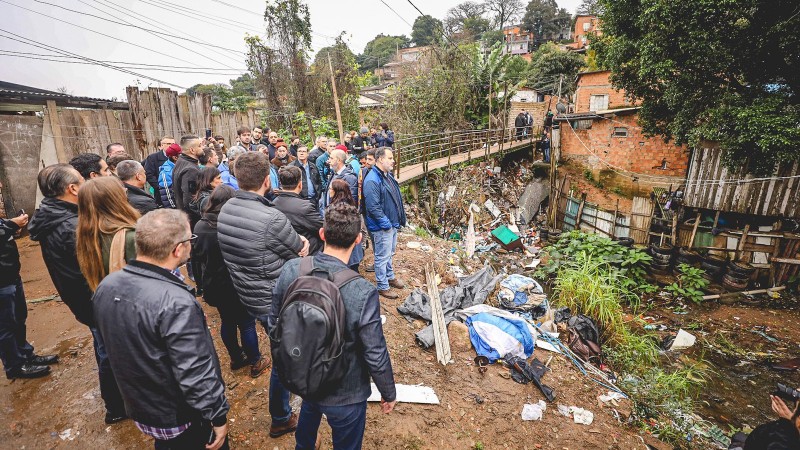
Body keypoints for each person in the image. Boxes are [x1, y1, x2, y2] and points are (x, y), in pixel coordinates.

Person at [93, 209, 230, 450]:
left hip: (142, 405)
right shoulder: (175, 302)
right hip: (179, 414)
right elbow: (194, 369)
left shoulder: (107, 285)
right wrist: (217, 415)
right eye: (190, 240)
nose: (191, 245)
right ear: (178, 249)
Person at [271, 202, 396, 450]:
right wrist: (387, 391)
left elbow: (274, 321)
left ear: (321, 233)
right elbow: (374, 351)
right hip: (345, 390)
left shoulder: (291, 269)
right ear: (359, 239)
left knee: (308, 414)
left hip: (304, 376)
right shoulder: (363, 291)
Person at [217, 151, 309, 439]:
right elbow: (298, 250)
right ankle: (281, 417)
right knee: (283, 356)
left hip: (247, 292)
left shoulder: (226, 209)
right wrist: (303, 242)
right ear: (267, 180)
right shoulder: (272, 218)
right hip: (271, 297)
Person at [28, 164, 127, 424]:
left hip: (84, 299)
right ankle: (116, 406)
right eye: (83, 180)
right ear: (73, 188)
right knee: (110, 352)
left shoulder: (53, 215)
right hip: (94, 301)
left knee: (105, 347)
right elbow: (92, 270)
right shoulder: (71, 226)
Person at [193, 185, 269, 378]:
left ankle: (236, 357)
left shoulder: (200, 225)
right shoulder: (230, 226)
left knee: (227, 321)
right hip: (235, 282)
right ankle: (255, 360)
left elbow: (197, 256)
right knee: (246, 323)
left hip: (213, 283)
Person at [1, 211, 58, 379]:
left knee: (19, 317)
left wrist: (12, 227)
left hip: (10, 274)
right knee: (5, 326)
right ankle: (15, 366)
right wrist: (11, 225)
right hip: (2, 282)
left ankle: (26, 355)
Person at [75, 176, 140, 292]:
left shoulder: (87, 235)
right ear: (116, 200)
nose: (126, 193)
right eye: (123, 191)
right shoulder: (130, 236)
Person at [363, 148, 407, 299]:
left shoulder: (386, 175)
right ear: (380, 159)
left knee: (388, 254)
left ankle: (390, 276)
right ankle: (382, 286)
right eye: (390, 158)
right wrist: (386, 224)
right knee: (382, 256)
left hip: (391, 223)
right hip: (382, 226)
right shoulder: (372, 179)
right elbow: (373, 206)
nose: (393, 160)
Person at [273, 166, 323, 255]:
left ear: (280, 183)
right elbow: (322, 228)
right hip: (306, 253)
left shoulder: (273, 204)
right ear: (300, 184)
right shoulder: (304, 207)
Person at [327, 179, 364, 271]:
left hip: (346, 250)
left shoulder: (338, 210)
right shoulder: (351, 205)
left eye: (330, 188)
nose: (329, 191)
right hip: (353, 249)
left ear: (337, 191)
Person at [172, 135, 203, 222]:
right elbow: (190, 199)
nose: (202, 148)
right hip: (192, 219)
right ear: (192, 150)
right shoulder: (190, 170)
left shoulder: (181, 161)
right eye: (200, 146)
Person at [144, 136, 176, 207]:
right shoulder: (153, 158)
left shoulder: (178, 157)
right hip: (161, 194)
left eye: (173, 144)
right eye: (168, 144)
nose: (171, 146)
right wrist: (160, 187)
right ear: (162, 145)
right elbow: (149, 174)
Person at [158, 143, 182, 209]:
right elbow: (167, 195)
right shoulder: (166, 173)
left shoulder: (180, 166)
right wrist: (175, 210)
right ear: (175, 157)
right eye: (182, 155)